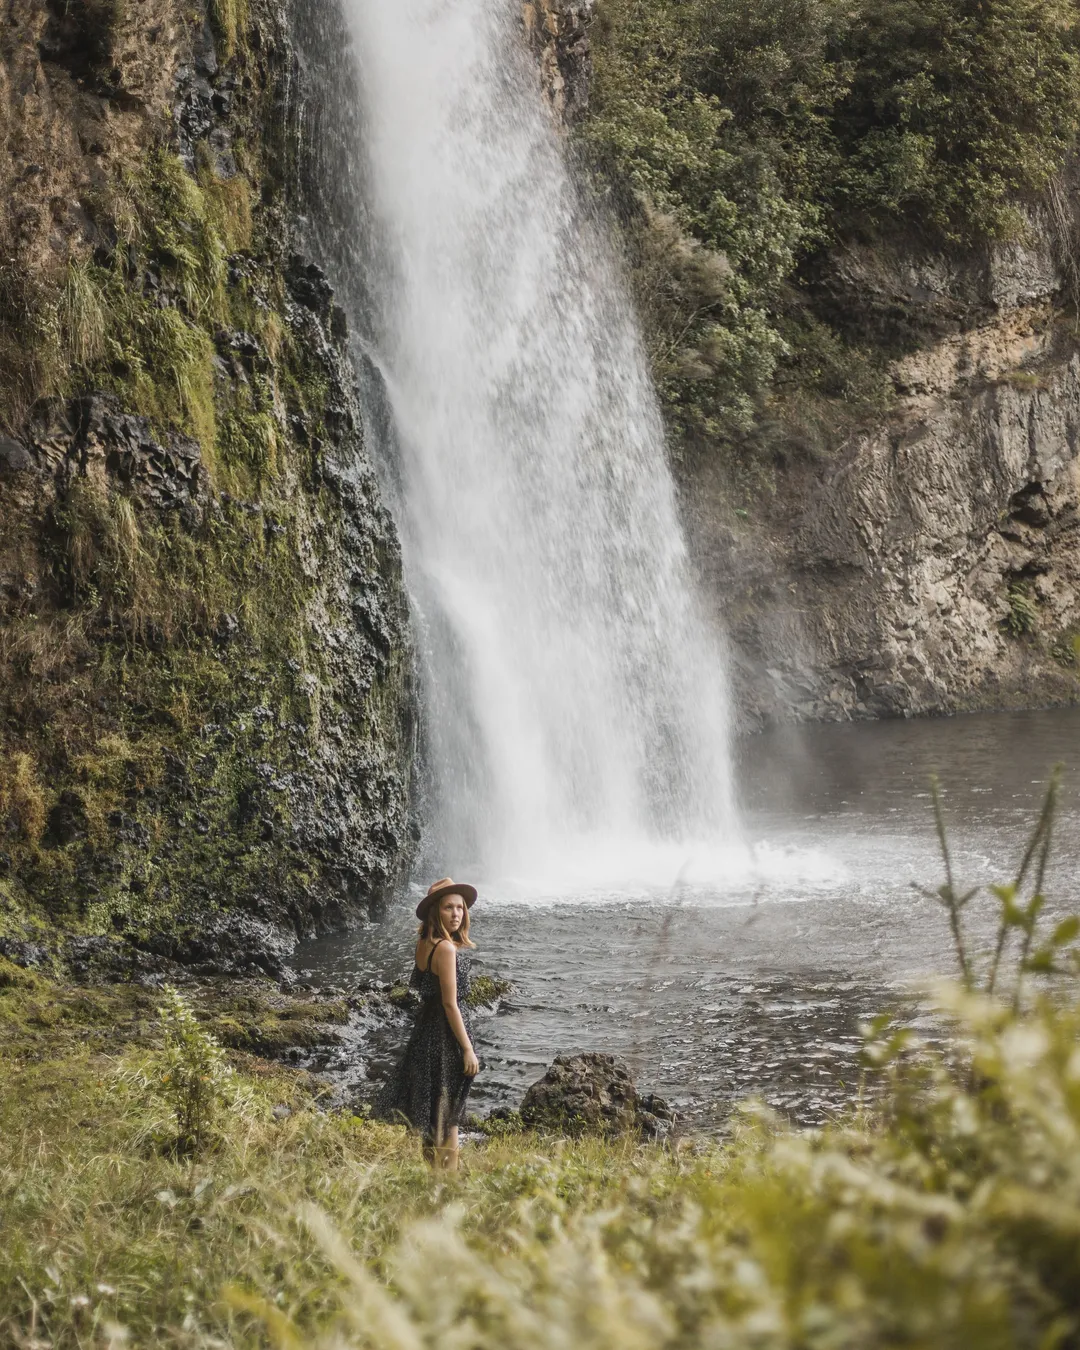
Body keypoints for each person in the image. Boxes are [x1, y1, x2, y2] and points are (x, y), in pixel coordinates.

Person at [376, 877, 481, 1170]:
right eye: (449, 907)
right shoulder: (446, 949)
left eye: (460, 907)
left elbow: (426, 990)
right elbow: (450, 1003)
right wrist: (468, 1048)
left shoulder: (425, 943)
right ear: (436, 911)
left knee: (434, 1115)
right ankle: (448, 1187)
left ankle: (434, 1180)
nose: (456, 914)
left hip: (425, 1035)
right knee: (450, 1119)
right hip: (446, 1039)